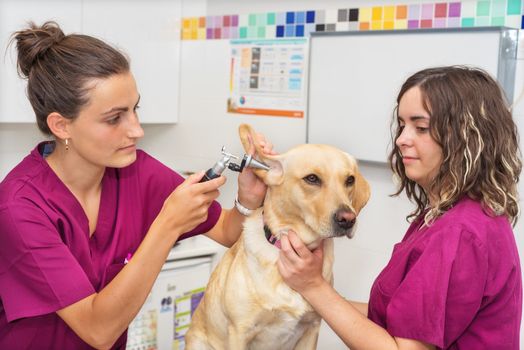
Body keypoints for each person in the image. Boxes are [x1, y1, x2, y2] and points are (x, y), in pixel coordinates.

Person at [0, 21, 273, 349]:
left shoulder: (139, 173)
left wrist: (248, 199)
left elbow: (228, 231)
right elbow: (98, 330)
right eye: (115, 118)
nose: (136, 130)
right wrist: (168, 224)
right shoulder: (19, 207)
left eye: (135, 110)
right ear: (61, 125)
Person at [277, 66, 522, 349]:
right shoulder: (449, 214)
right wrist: (309, 296)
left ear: (466, 138)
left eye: (421, 128)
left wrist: (314, 287)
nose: (401, 139)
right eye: (402, 125)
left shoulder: (459, 232)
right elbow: (393, 319)